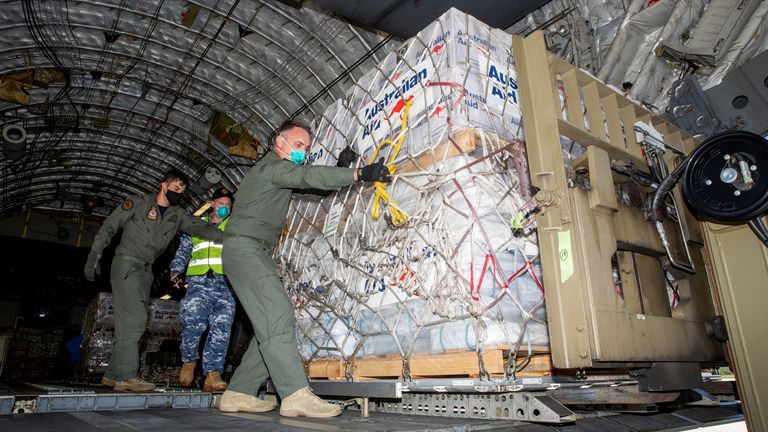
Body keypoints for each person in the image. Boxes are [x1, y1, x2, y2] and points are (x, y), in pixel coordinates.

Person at [218, 120, 390, 416]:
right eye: (298, 145)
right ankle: (295, 395)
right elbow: (307, 175)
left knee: (270, 325)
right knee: (278, 316)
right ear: (279, 142)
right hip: (244, 248)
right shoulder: (271, 167)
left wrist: (338, 168)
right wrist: (358, 173)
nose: (303, 152)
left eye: (307, 148)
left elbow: (312, 191)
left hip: (253, 250)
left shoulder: (280, 174)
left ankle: (239, 392)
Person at [84, 170, 225, 392]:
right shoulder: (137, 204)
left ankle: (112, 375)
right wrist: (95, 255)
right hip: (127, 264)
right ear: (163, 185)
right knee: (137, 319)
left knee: (127, 323)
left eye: (183, 191)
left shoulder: (176, 215)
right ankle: (127, 376)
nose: (179, 193)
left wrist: (233, 236)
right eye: (176, 188)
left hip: (145, 272)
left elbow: (203, 229)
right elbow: (109, 227)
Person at [169, 187, 236, 392]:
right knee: (192, 324)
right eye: (220, 203)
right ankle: (189, 363)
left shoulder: (233, 227)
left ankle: (213, 374)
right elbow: (183, 251)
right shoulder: (196, 225)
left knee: (221, 330)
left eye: (228, 204)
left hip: (226, 285)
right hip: (199, 283)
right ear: (212, 204)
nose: (224, 207)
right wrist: (175, 271)